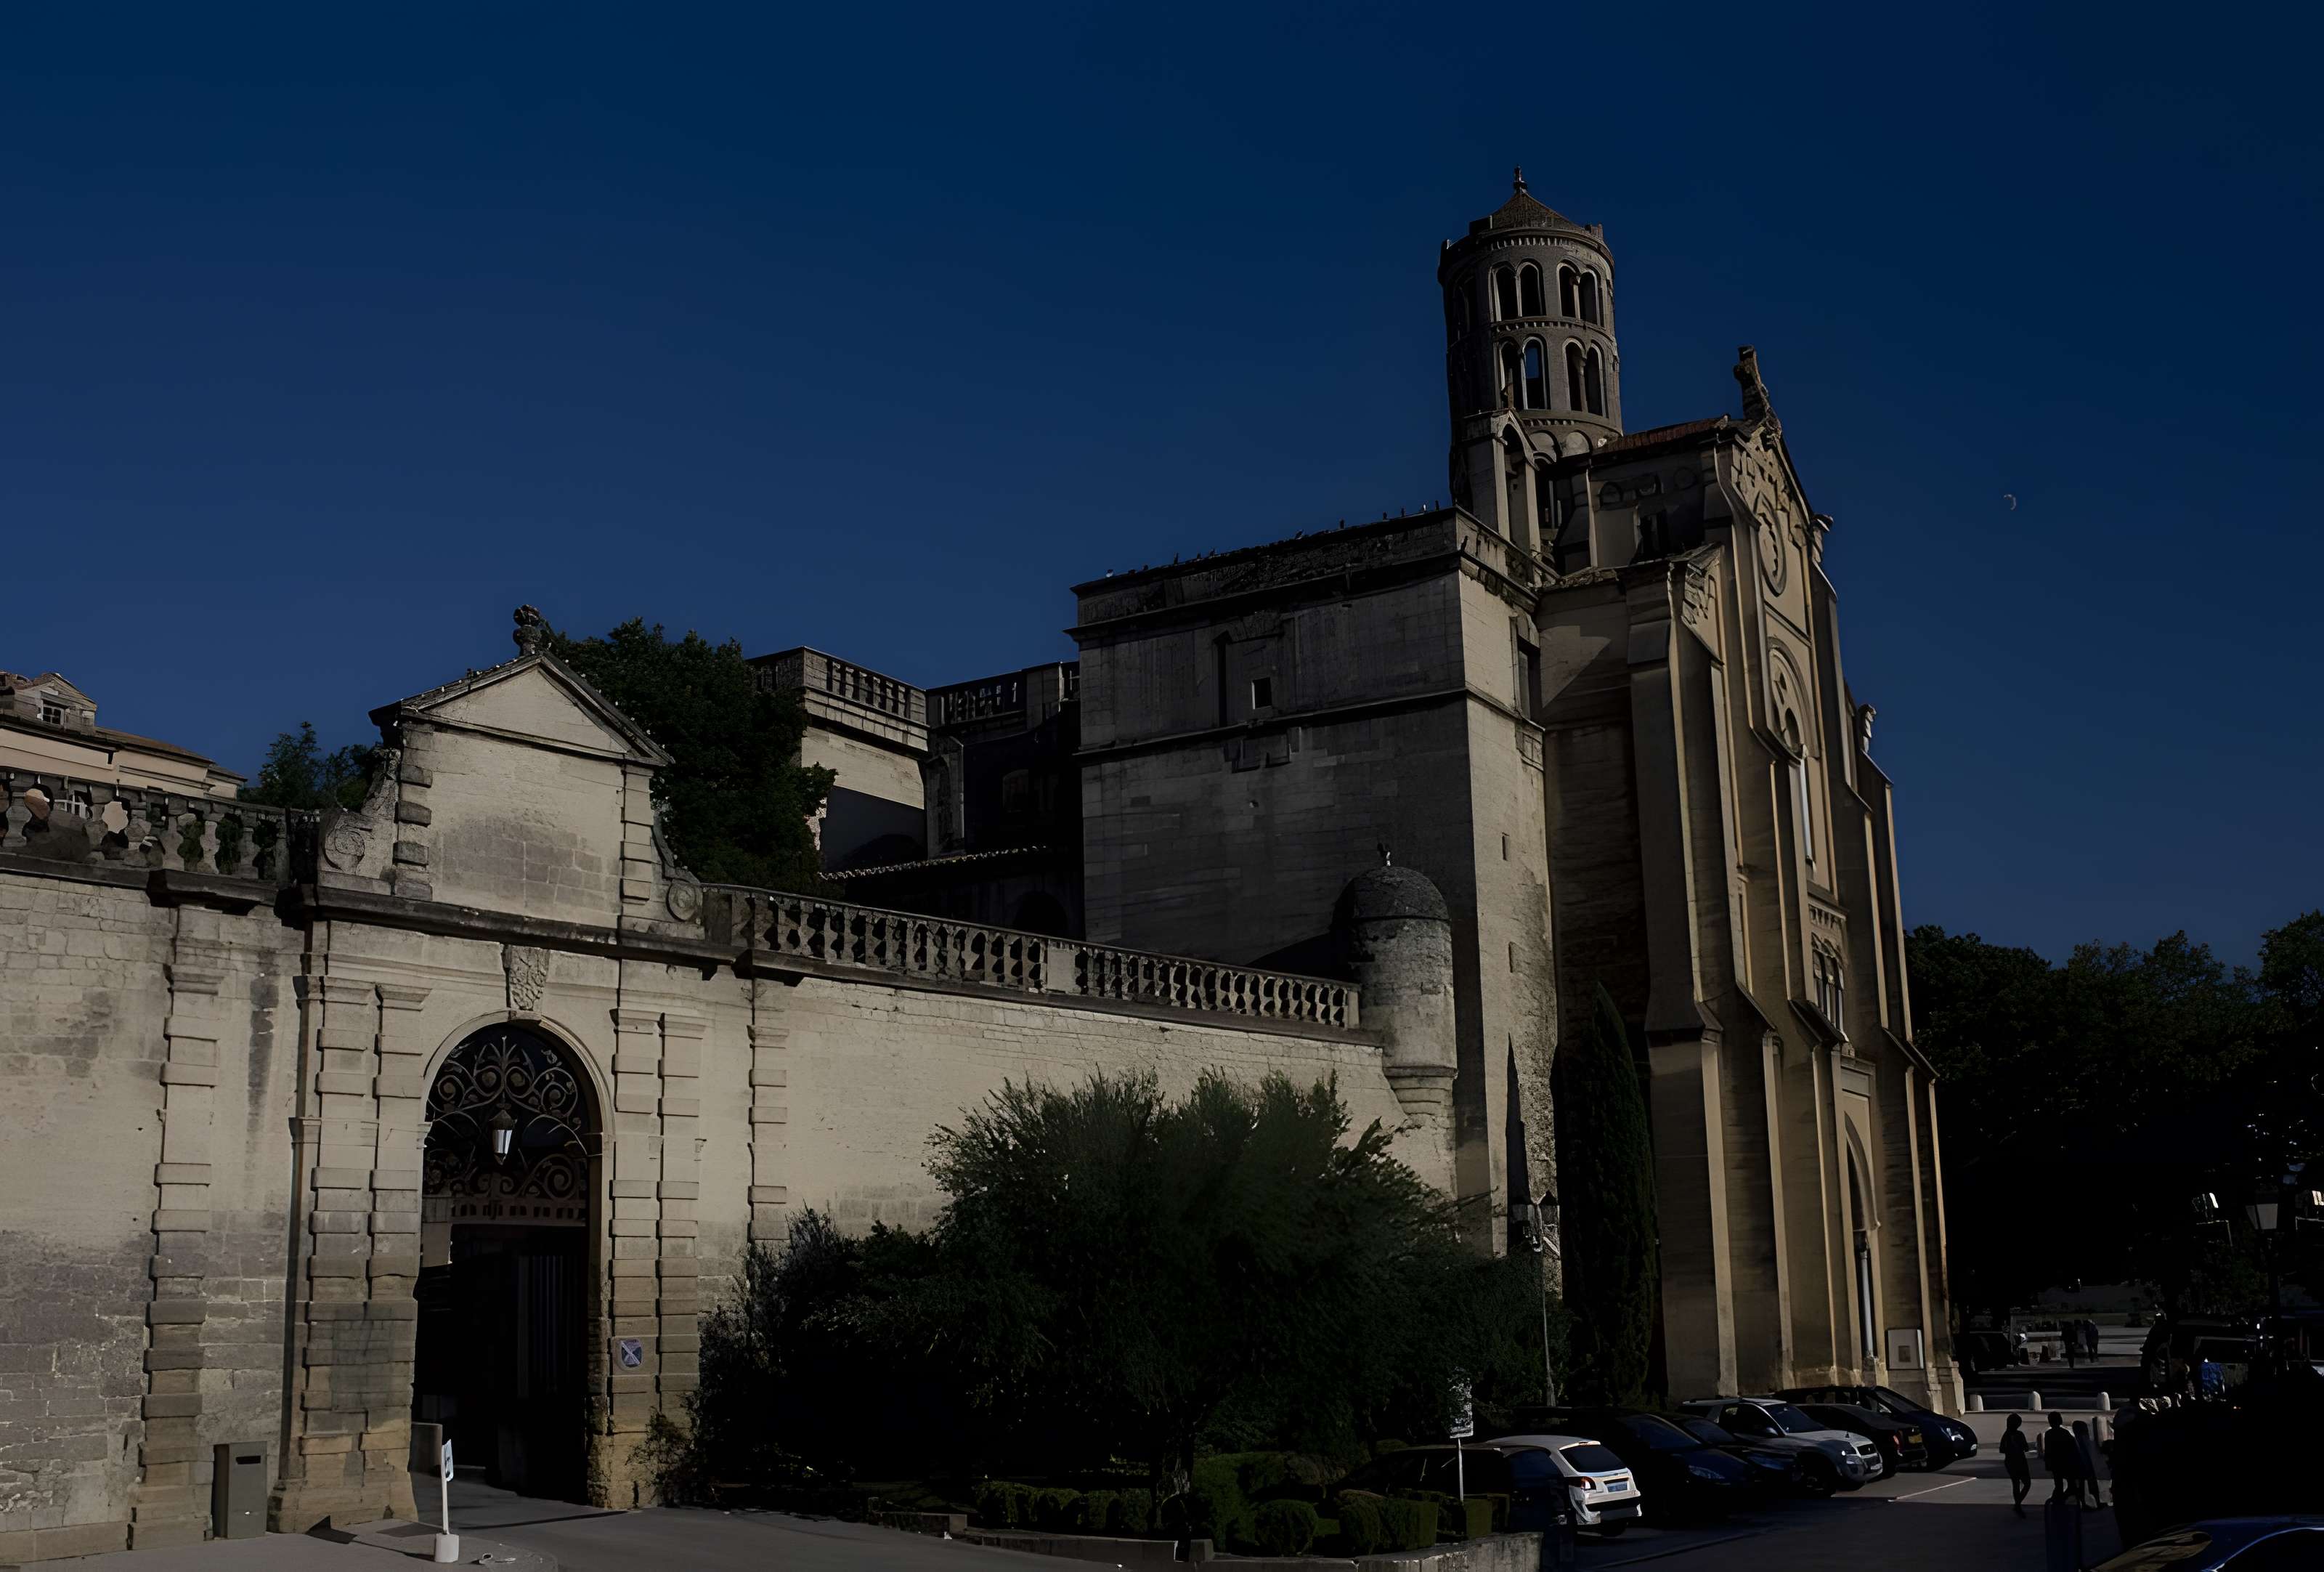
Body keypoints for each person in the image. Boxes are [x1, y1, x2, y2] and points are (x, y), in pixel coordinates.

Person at [2000, 1412, 2035, 1516]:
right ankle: (2018, 1503)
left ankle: (2018, 1503)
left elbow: (2002, 1449)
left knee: (2016, 1484)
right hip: (2020, 1461)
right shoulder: (2019, 1435)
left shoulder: (2006, 1436)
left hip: (2010, 1461)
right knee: (2026, 1483)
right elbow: (2026, 1448)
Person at [2041, 1411, 2079, 1504]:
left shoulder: (2049, 1434)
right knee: (2071, 1483)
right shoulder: (2065, 1433)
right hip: (2066, 1462)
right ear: (2060, 1421)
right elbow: (2073, 1446)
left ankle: (2057, 1500)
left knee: (2058, 1485)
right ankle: (2061, 1499)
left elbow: (2048, 1450)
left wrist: (2048, 1463)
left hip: (2055, 1463)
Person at [2073, 1420, 2105, 1510]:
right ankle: (2097, 1502)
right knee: (2091, 1482)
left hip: (2081, 1464)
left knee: (2081, 1484)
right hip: (2087, 1463)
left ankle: (2083, 1504)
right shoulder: (2084, 1440)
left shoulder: (2075, 1440)